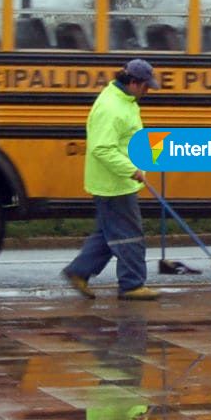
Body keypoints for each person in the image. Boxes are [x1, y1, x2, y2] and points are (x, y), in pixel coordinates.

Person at [62, 59, 161, 301]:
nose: (148, 91)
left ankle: (79, 271)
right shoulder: (112, 107)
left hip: (116, 181)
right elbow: (102, 148)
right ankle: (132, 284)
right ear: (133, 82)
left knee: (109, 234)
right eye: (146, 86)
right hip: (114, 184)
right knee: (130, 235)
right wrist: (131, 169)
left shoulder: (124, 100)